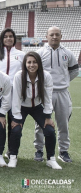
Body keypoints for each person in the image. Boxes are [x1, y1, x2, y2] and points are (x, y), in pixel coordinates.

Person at [8, 52, 62, 170]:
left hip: (37, 107)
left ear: (39, 63)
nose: (32, 65)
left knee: (49, 130)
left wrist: (48, 116)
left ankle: (51, 159)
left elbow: (48, 97)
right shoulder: (19, 75)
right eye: (29, 62)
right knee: (16, 130)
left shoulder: (46, 76)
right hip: (21, 107)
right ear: (25, 64)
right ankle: (13, 157)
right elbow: (16, 98)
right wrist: (16, 118)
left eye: (34, 62)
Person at [34, 26, 78, 163]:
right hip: (45, 93)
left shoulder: (68, 53)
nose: (54, 37)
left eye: (57, 34)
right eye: (51, 34)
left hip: (62, 93)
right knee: (40, 123)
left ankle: (63, 151)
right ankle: (39, 150)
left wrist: (63, 82)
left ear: (61, 36)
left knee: (63, 123)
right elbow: (34, 71)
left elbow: (74, 71)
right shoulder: (39, 53)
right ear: (46, 36)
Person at [0, 28, 25, 157]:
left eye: (11, 36)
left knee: (14, 124)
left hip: (15, 94)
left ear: (14, 39)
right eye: (5, 36)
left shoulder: (21, 55)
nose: (8, 38)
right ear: (2, 39)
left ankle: (11, 151)